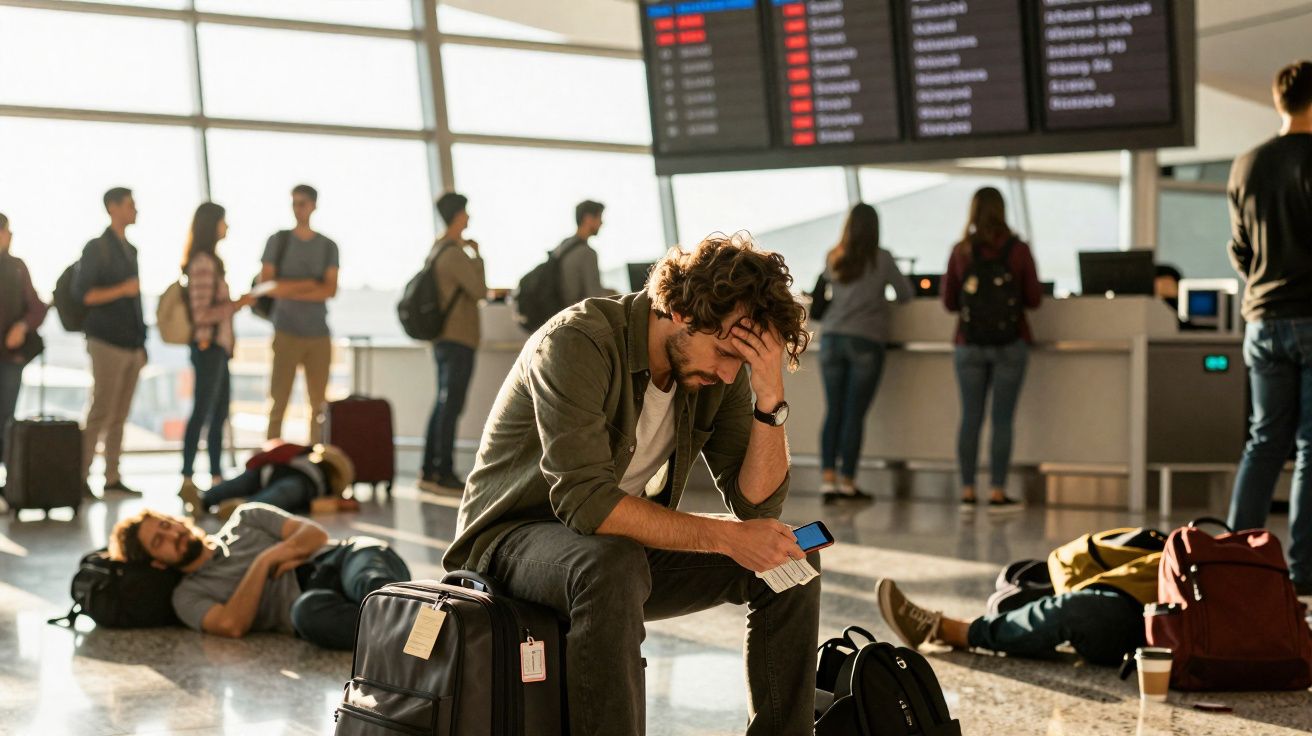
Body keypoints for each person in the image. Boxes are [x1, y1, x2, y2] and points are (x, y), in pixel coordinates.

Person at [445, 232, 820, 736]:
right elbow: (586, 504)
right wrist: (728, 538)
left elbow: (758, 507)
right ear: (682, 311)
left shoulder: (716, 374)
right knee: (611, 563)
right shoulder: (578, 342)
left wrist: (770, 399)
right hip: (508, 545)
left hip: (608, 550)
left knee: (789, 558)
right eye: (725, 353)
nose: (731, 375)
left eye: (744, 361)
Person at [1226, 61, 1312, 596]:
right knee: (1311, 447)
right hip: (1310, 316)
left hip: (1261, 320)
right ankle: (1303, 572)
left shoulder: (1246, 164)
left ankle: (1234, 562)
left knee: (1263, 442)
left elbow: (1240, 249)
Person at [110, 502, 409, 650]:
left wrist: (281, 551)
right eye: (159, 541)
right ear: (157, 563)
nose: (173, 534)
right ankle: (422, 633)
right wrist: (264, 562)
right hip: (313, 603)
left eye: (166, 525)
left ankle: (421, 634)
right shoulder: (187, 595)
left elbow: (315, 535)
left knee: (370, 583)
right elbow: (231, 625)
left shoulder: (246, 518)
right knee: (308, 614)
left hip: (343, 559)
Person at [942, 187, 1042, 512]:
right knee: (1002, 420)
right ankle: (998, 492)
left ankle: (967, 492)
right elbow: (1034, 299)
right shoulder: (1019, 250)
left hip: (968, 344)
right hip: (1011, 343)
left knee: (970, 418)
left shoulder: (961, 251)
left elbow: (949, 302)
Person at [817, 203, 912, 504]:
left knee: (833, 411)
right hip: (866, 340)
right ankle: (848, 483)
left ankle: (827, 481)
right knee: (853, 415)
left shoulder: (834, 255)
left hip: (832, 338)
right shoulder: (882, 258)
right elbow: (906, 294)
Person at [874, 570, 1151, 667]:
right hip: (1143, 599)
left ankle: (947, 630)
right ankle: (998, 625)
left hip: (1151, 625)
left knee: (1074, 610)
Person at [77, 187, 148, 497]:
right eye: (130, 204)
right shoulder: (97, 248)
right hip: (106, 341)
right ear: (112, 208)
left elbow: (136, 301)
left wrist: (142, 343)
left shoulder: (130, 250)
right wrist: (122, 289)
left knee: (119, 415)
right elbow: (84, 294)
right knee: (101, 411)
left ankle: (112, 477)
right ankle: (80, 477)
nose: (136, 209)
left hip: (131, 343)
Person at [180, 203, 253, 500]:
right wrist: (236, 305)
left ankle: (216, 474)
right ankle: (187, 476)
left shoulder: (212, 262)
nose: (227, 227)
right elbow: (201, 314)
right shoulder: (202, 263)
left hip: (218, 348)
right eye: (223, 221)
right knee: (202, 411)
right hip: (207, 346)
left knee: (218, 412)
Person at [260, 184, 339, 444]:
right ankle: (271, 455)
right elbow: (267, 285)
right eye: (294, 203)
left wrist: (287, 288)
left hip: (318, 334)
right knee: (278, 401)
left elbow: (329, 290)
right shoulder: (278, 241)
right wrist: (309, 284)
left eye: (302, 203)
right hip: (285, 331)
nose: (297, 209)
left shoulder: (328, 246)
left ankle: (316, 457)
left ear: (314, 205)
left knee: (318, 405)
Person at [419, 193, 487, 493]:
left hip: (442, 339)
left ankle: (429, 470)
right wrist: (478, 256)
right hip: (458, 338)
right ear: (458, 215)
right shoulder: (455, 254)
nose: (469, 217)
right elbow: (479, 290)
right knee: (451, 405)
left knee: (443, 403)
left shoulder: (437, 249)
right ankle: (442, 472)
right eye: (466, 212)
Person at [0, 212, 49, 498]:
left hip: (10, 358)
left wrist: (22, 326)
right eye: (6, 230)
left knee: (6, 421)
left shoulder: (17, 267)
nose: (10, 236)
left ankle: (9, 486)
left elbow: (37, 308)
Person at [180, 438, 352, 519]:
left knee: (237, 484)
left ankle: (204, 499)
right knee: (277, 496)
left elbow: (276, 453)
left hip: (269, 472)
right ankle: (243, 508)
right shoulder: (322, 484)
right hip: (298, 483)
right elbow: (319, 505)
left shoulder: (303, 455)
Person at [553, 199, 615, 306]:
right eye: (599, 217)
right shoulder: (587, 253)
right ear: (588, 219)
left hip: (559, 310)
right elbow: (594, 298)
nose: (601, 223)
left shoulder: (564, 245)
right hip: (575, 312)